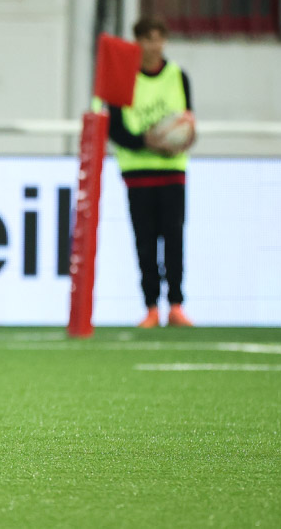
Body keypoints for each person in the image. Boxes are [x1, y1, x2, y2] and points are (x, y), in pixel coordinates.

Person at [100, 17, 195, 328]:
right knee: (145, 241)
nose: (154, 46)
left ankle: (176, 305)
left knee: (174, 238)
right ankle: (151, 307)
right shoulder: (123, 77)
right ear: (137, 42)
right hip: (138, 171)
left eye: (158, 39)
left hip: (172, 170)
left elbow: (187, 120)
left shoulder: (178, 76)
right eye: (147, 39)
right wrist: (147, 141)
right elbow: (114, 128)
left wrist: (182, 139)